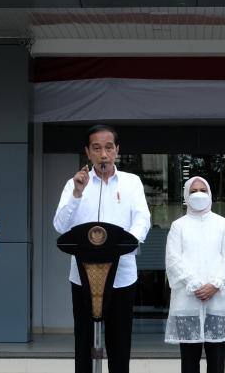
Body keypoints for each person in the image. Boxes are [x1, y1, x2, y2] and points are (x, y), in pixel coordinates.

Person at [53, 124, 151, 373]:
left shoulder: (131, 183)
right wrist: (77, 193)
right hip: (83, 276)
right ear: (88, 152)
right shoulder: (75, 184)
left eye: (108, 148)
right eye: (97, 148)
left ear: (117, 150)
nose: (103, 154)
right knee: (83, 343)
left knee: (119, 345)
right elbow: (60, 226)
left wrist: (127, 244)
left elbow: (142, 219)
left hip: (122, 275)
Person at [165, 176, 225, 373]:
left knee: (217, 363)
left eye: (203, 190)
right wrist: (194, 284)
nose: (198, 194)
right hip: (188, 301)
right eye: (193, 190)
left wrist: (215, 284)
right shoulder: (178, 226)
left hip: (217, 300)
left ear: (210, 194)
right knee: (189, 363)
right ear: (186, 196)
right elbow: (173, 260)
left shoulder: (223, 224)